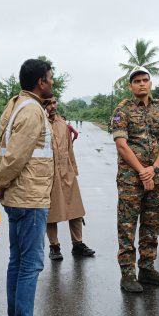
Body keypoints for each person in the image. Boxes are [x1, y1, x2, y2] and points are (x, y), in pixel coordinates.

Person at [0, 58, 59, 316]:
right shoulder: (32, 111)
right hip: (29, 197)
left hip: (20, 197)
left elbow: (1, 149)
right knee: (30, 264)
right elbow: (16, 156)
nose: (52, 82)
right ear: (40, 82)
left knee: (18, 263)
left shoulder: (15, 104)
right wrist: (0, 182)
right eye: (50, 78)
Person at [110, 66, 159, 293]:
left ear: (150, 83)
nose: (142, 84)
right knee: (127, 226)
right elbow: (121, 145)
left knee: (152, 224)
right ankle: (128, 274)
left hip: (156, 176)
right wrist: (141, 171)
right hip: (130, 179)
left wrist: (153, 169)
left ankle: (147, 269)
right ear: (130, 86)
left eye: (145, 80)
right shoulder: (122, 110)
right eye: (136, 81)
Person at [43, 96, 95, 261]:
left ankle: (78, 244)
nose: (52, 106)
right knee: (50, 212)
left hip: (67, 171)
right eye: (48, 103)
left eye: (54, 102)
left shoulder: (62, 124)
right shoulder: (38, 123)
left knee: (76, 210)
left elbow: (69, 149)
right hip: (47, 174)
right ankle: (54, 246)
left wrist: (74, 171)